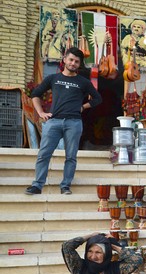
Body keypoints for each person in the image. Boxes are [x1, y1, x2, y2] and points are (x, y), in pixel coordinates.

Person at [25, 47, 102, 196]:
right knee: (43, 154)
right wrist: (41, 112)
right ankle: (37, 185)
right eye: (71, 60)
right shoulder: (53, 79)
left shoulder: (83, 82)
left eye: (76, 61)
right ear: (65, 59)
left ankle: (65, 185)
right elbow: (35, 94)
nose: (73, 63)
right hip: (53, 123)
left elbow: (98, 99)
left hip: (74, 123)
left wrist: (83, 107)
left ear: (79, 64)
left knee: (71, 156)